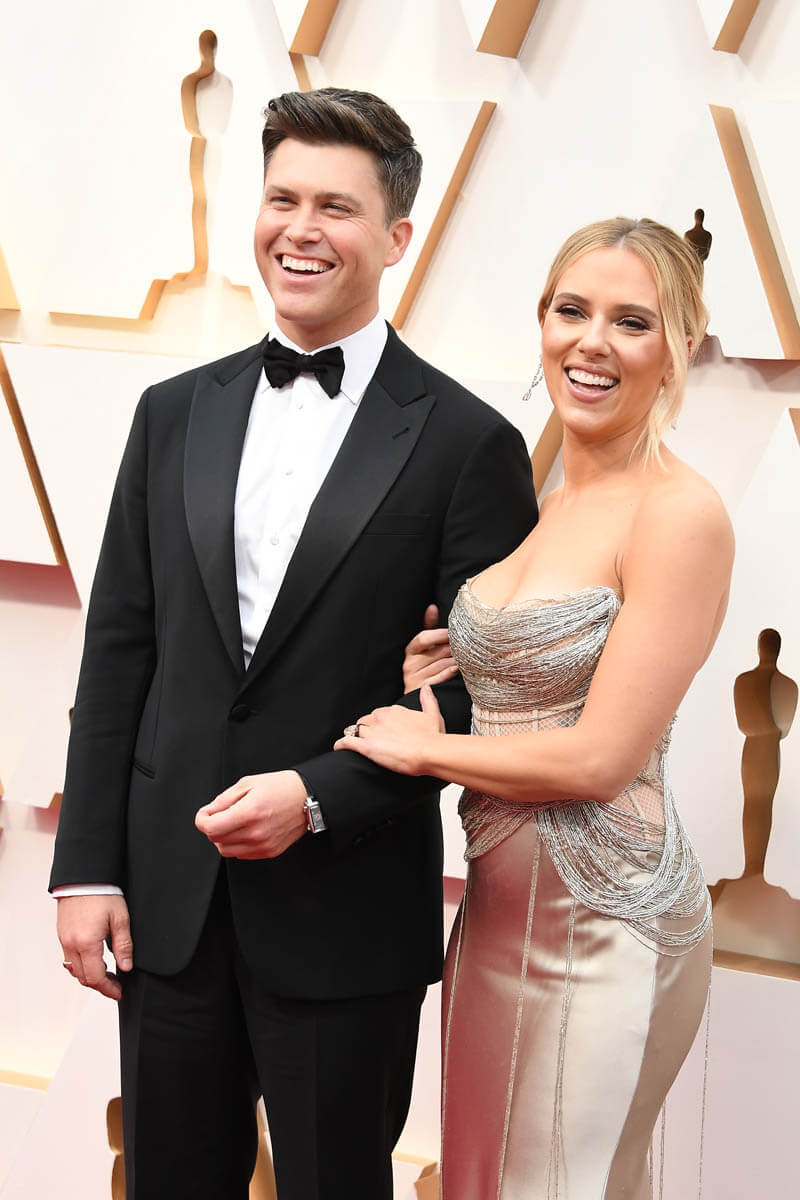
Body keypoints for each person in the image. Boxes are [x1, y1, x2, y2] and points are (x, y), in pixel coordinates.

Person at [49, 87, 538, 1200]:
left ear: (396, 237)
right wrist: (85, 869)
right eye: (282, 199)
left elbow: (479, 699)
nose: (300, 229)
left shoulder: (469, 445)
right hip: (167, 908)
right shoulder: (172, 412)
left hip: (344, 915)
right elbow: (120, 650)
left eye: (336, 207)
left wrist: (317, 795)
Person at [336, 216, 735, 1199]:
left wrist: (426, 752)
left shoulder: (680, 514)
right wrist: (456, 665)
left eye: (631, 321)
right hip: (495, 920)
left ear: (680, 348)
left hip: (609, 924)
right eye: (571, 310)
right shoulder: (548, 499)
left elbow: (597, 759)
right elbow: (542, 690)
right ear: (542, 323)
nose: (591, 342)